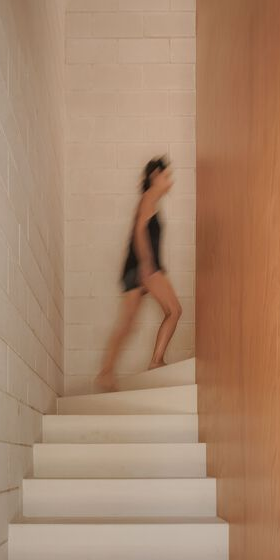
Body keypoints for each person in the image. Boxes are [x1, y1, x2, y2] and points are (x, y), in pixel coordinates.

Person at [95, 156, 182, 392]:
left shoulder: (151, 199)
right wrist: (146, 265)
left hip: (136, 267)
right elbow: (139, 230)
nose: (170, 181)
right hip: (145, 267)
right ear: (155, 176)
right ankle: (156, 361)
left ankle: (105, 373)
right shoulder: (149, 196)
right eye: (167, 176)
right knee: (174, 311)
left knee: (127, 324)